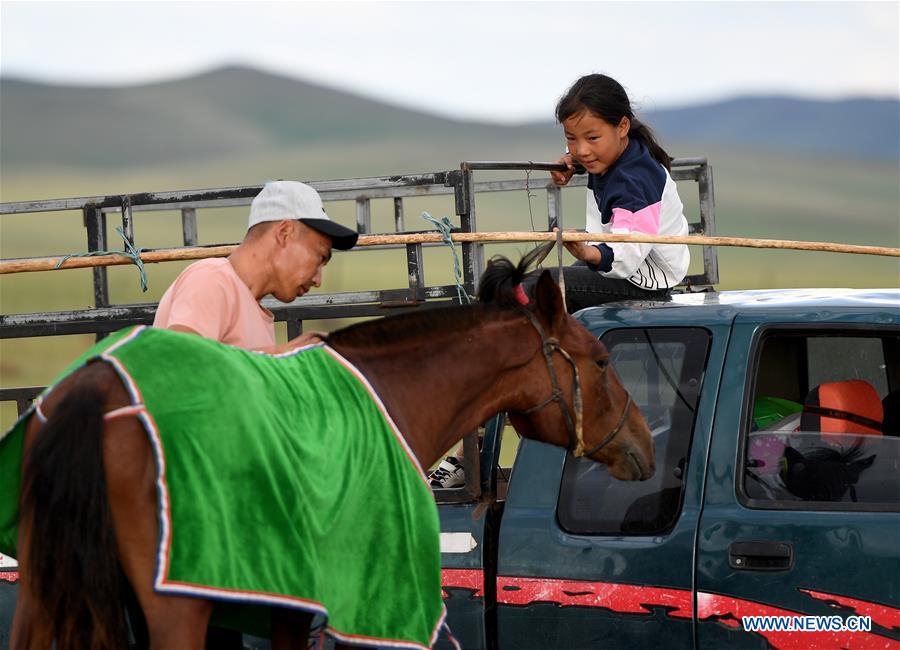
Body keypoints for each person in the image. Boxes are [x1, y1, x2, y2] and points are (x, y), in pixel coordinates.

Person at [153, 180, 358, 352]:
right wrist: (282, 357)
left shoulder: (254, 312)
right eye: (319, 257)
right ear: (285, 232)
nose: (318, 280)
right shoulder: (211, 278)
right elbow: (179, 359)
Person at [548, 73, 690, 311]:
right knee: (554, 281)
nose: (582, 150)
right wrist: (571, 160)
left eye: (592, 138)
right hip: (627, 265)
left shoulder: (634, 183)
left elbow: (626, 253)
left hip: (644, 278)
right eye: (571, 138)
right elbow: (587, 147)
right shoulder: (621, 149)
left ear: (622, 126)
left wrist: (586, 251)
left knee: (544, 285)